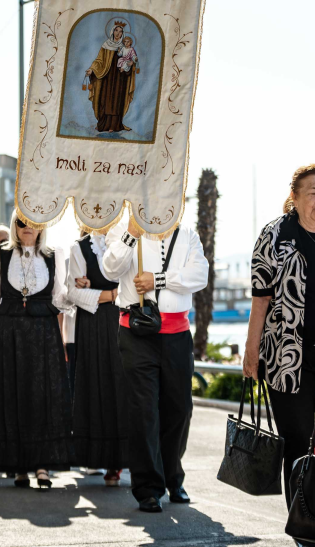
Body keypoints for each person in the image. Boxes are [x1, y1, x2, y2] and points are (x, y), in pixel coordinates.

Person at [244, 164, 315, 541]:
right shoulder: (274, 234)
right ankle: (304, 527)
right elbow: (260, 299)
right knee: (298, 443)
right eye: (313, 192)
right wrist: (251, 350)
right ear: (295, 197)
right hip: (286, 359)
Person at [103, 215, 209, 513]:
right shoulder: (123, 229)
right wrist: (130, 235)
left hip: (178, 335)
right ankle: (148, 488)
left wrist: (159, 280)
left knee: (180, 409)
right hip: (137, 333)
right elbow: (110, 269)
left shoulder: (188, 233)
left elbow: (200, 276)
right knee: (143, 410)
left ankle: (173, 476)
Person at [0, 212, 72, 489]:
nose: (27, 227)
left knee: (43, 397)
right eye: (21, 222)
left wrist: (81, 289)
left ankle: (42, 465)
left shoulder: (54, 254)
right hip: (9, 335)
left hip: (44, 336)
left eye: (33, 222)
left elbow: (60, 298)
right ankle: (18, 465)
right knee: (12, 395)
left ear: (42, 226)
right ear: (14, 226)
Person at [66, 227, 126, 487]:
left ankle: (126, 459)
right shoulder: (79, 247)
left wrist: (96, 289)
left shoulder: (129, 241)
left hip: (126, 321)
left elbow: (137, 282)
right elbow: (73, 293)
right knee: (99, 386)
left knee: (126, 387)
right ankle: (104, 457)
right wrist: (112, 294)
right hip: (94, 325)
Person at [85, 20, 135, 133]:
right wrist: (92, 69)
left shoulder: (124, 47)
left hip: (119, 78)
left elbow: (130, 60)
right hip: (106, 78)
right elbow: (99, 60)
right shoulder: (105, 45)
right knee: (104, 99)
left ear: (123, 34)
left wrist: (131, 64)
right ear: (112, 31)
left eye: (120, 32)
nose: (118, 33)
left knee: (116, 101)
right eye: (116, 30)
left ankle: (114, 125)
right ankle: (103, 124)